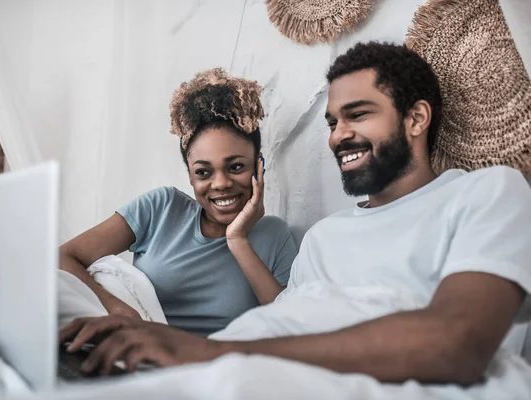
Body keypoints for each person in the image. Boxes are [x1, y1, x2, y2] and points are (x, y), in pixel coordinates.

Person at [59, 42, 531, 385]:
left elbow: (458, 342)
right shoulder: (326, 236)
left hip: (244, 373)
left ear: (415, 118)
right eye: (332, 122)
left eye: (358, 114)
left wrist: (210, 353)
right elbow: (283, 316)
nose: (337, 135)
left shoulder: (489, 193)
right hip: (224, 369)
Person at [59, 68, 298, 337]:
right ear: (190, 177)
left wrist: (238, 240)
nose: (220, 184)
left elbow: (288, 324)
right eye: (203, 172)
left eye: (235, 167)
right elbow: (64, 257)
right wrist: (118, 310)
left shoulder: (275, 236)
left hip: (211, 369)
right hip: (132, 354)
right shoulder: (162, 207)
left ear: (259, 167)